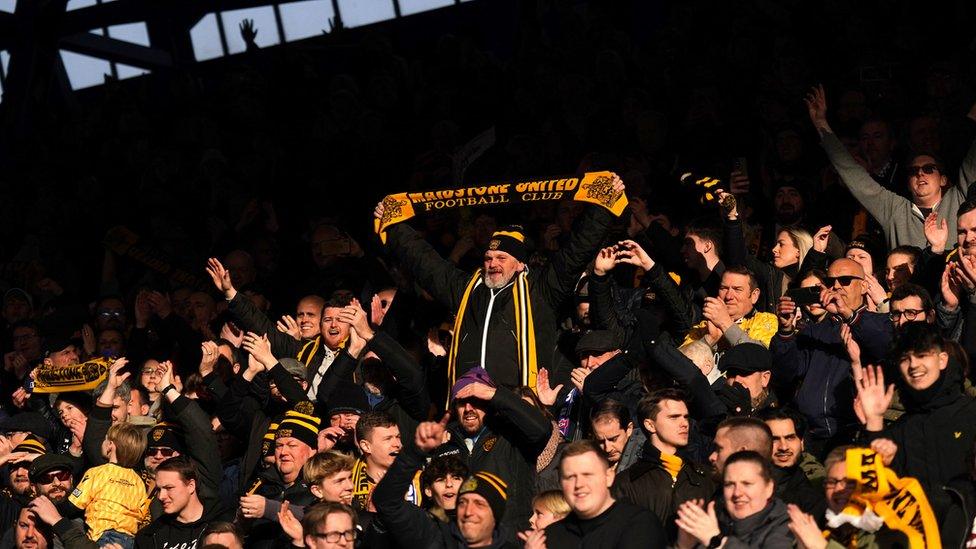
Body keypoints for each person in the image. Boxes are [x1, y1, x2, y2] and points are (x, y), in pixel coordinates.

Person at [373, 176, 623, 392]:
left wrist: (604, 205)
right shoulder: (467, 289)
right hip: (470, 408)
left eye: (502, 258)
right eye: (488, 257)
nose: (493, 263)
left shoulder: (542, 289)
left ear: (521, 264)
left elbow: (576, 251)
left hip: (522, 404)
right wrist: (393, 227)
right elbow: (426, 264)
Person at [805, 85, 976, 249]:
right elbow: (853, 175)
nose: (920, 174)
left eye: (929, 169)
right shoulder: (894, 209)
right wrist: (821, 122)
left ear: (943, 179)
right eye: (913, 171)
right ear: (908, 182)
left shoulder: (959, 199)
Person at [857, 322, 976, 547]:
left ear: (942, 360)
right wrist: (873, 426)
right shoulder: (898, 429)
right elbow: (874, 497)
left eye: (922, 355)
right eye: (905, 358)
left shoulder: (971, 413)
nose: (913, 365)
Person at [772, 258, 894, 458]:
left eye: (845, 280)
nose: (836, 286)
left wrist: (848, 314)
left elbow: (885, 347)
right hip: (811, 437)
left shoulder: (880, 323)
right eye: (830, 282)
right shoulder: (814, 331)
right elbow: (785, 375)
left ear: (864, 286)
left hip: (855, 433)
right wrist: (785, 332)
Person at [427, 367, 550, 532]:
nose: (469, 408)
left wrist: (495, 394)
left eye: (476, 400)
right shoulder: (445, 444)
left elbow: (541, 429)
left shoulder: (512, 435)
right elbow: (434, 501)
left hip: (510, 539)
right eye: (462, 402)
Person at [372, 414, 518, 548]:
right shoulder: (430, 533)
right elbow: (386, 501)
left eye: (479, 504)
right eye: (463, 503)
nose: (468, 511)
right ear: (428, 490)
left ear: (495, 513)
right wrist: (416, 450)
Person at [612, 389, 713, 541]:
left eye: (686, 417)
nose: (684, 423)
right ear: (650, 425)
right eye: (674, 417)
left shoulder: (705, 477)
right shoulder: (626, 482)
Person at [539, 440, 665, 547]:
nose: (579, 484)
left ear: (609, 477)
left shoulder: (640, 526)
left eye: (587, 475)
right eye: (570, 477)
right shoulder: (550, 536)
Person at [675, 451, 793, 548]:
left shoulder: (788, 528)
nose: (737, 493)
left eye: (747, 484)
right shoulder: (715, 522)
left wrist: (717, 542)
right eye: (729, 484)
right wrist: (684, 545)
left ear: (769, 488)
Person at [65, 422, 147, 548]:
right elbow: (142, 514)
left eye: (105, 439)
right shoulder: (138, 481)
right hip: (130, 540)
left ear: (110, 446)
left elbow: (73, 505)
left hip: (103, 536)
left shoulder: (97, 473)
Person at [680, 267, 779, 359]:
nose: (728, 296)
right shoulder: (704, 326)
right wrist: (710, 339)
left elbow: (759, 356)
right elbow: (677, 364)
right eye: (724, 288)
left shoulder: (766, 320)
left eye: (737, 289)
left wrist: (725, 323)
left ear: (754, 295)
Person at [135, 456, 231, 549]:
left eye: (169, 488)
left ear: (191, 486)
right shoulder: (149, 536)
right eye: (159, 489)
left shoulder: (224, 525)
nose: (161, 496)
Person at [759, 408, 827, 518]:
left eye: (790, 438)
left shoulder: (817, 486)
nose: (783, 447)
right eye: (774, 439)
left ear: (802, 443)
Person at [349, 411, 409, 512]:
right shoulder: (347, 482)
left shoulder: (418, 477)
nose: (398, 444)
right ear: (366, 446)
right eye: (388, 439)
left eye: (398, 437)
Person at [588, 399, 643, 473]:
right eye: (601, 441)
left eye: (613, 439)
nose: (608, 449)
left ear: (629, 429)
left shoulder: (645, 459)